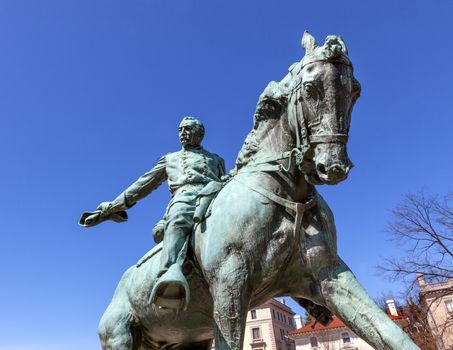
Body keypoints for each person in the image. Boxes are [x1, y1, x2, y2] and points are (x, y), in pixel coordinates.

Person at [82, 116, 225, 308]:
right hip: (185, 196)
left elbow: (224, 181)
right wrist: (112, 207)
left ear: (200, 134)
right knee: (179, 217)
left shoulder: (216, 159)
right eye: (180, 129)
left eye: (188, 129)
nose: (183, 133)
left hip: (214, 193)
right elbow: (144, 184)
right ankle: (169, 274)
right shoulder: (170, 159)